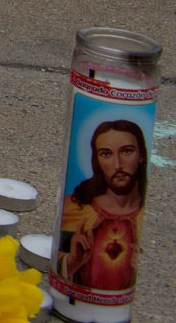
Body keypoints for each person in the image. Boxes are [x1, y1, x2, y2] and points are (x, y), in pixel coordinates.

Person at [60, 118, 147, 293]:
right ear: (97, 161)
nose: (118, 165)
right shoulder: (75, 208)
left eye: (127, 151)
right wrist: (72, 261)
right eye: (106, 154)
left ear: (142, 156)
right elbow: (56, 260)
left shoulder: (147, 215)